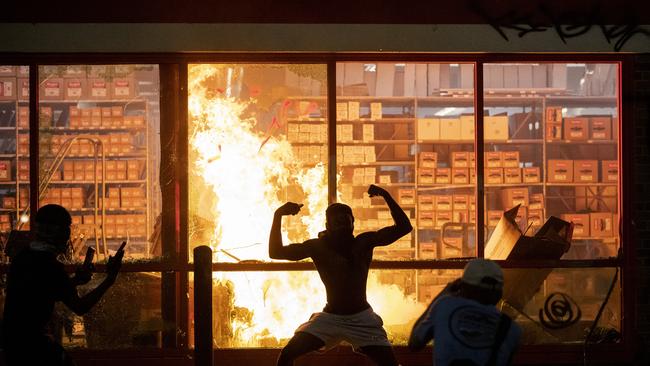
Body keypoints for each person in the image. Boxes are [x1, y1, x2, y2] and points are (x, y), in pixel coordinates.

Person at [269, 184, 412, 366]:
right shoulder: (317, 247)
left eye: (346, 222)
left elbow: (404, 227)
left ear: (353, 223)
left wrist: (385, 195)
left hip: (362, 319)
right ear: (327, 226)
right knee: (287, 355)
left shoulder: (364, 242)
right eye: (337, 223)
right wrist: (278, 215)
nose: (342, 226)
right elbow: (275, 252)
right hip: (329, 318)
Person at [2, 204, 125, 366]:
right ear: (62, 235)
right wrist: (110, 279)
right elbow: (80, 307)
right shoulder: (51, 266)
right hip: (33, 346)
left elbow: (39, 290)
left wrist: (74, 281)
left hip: (12, 344)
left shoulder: (23, 258)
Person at [409, 258, 521, 366]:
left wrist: (442, 295)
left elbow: (414, 344)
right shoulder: (512, 330)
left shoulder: (444, 306)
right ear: (499, 294)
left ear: (461, 286)